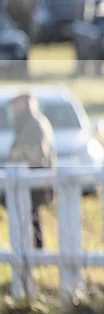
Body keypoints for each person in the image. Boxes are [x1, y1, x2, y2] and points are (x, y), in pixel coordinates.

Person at [8, 93, 57, 249]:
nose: (14, 110)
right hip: (28, 180)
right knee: (28, 219)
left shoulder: (34, 124)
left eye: (17, 105)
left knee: (32, 219)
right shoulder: (26, 124)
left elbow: (35, 155)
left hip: (34, 181)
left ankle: (36, 253)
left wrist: (15, 159)